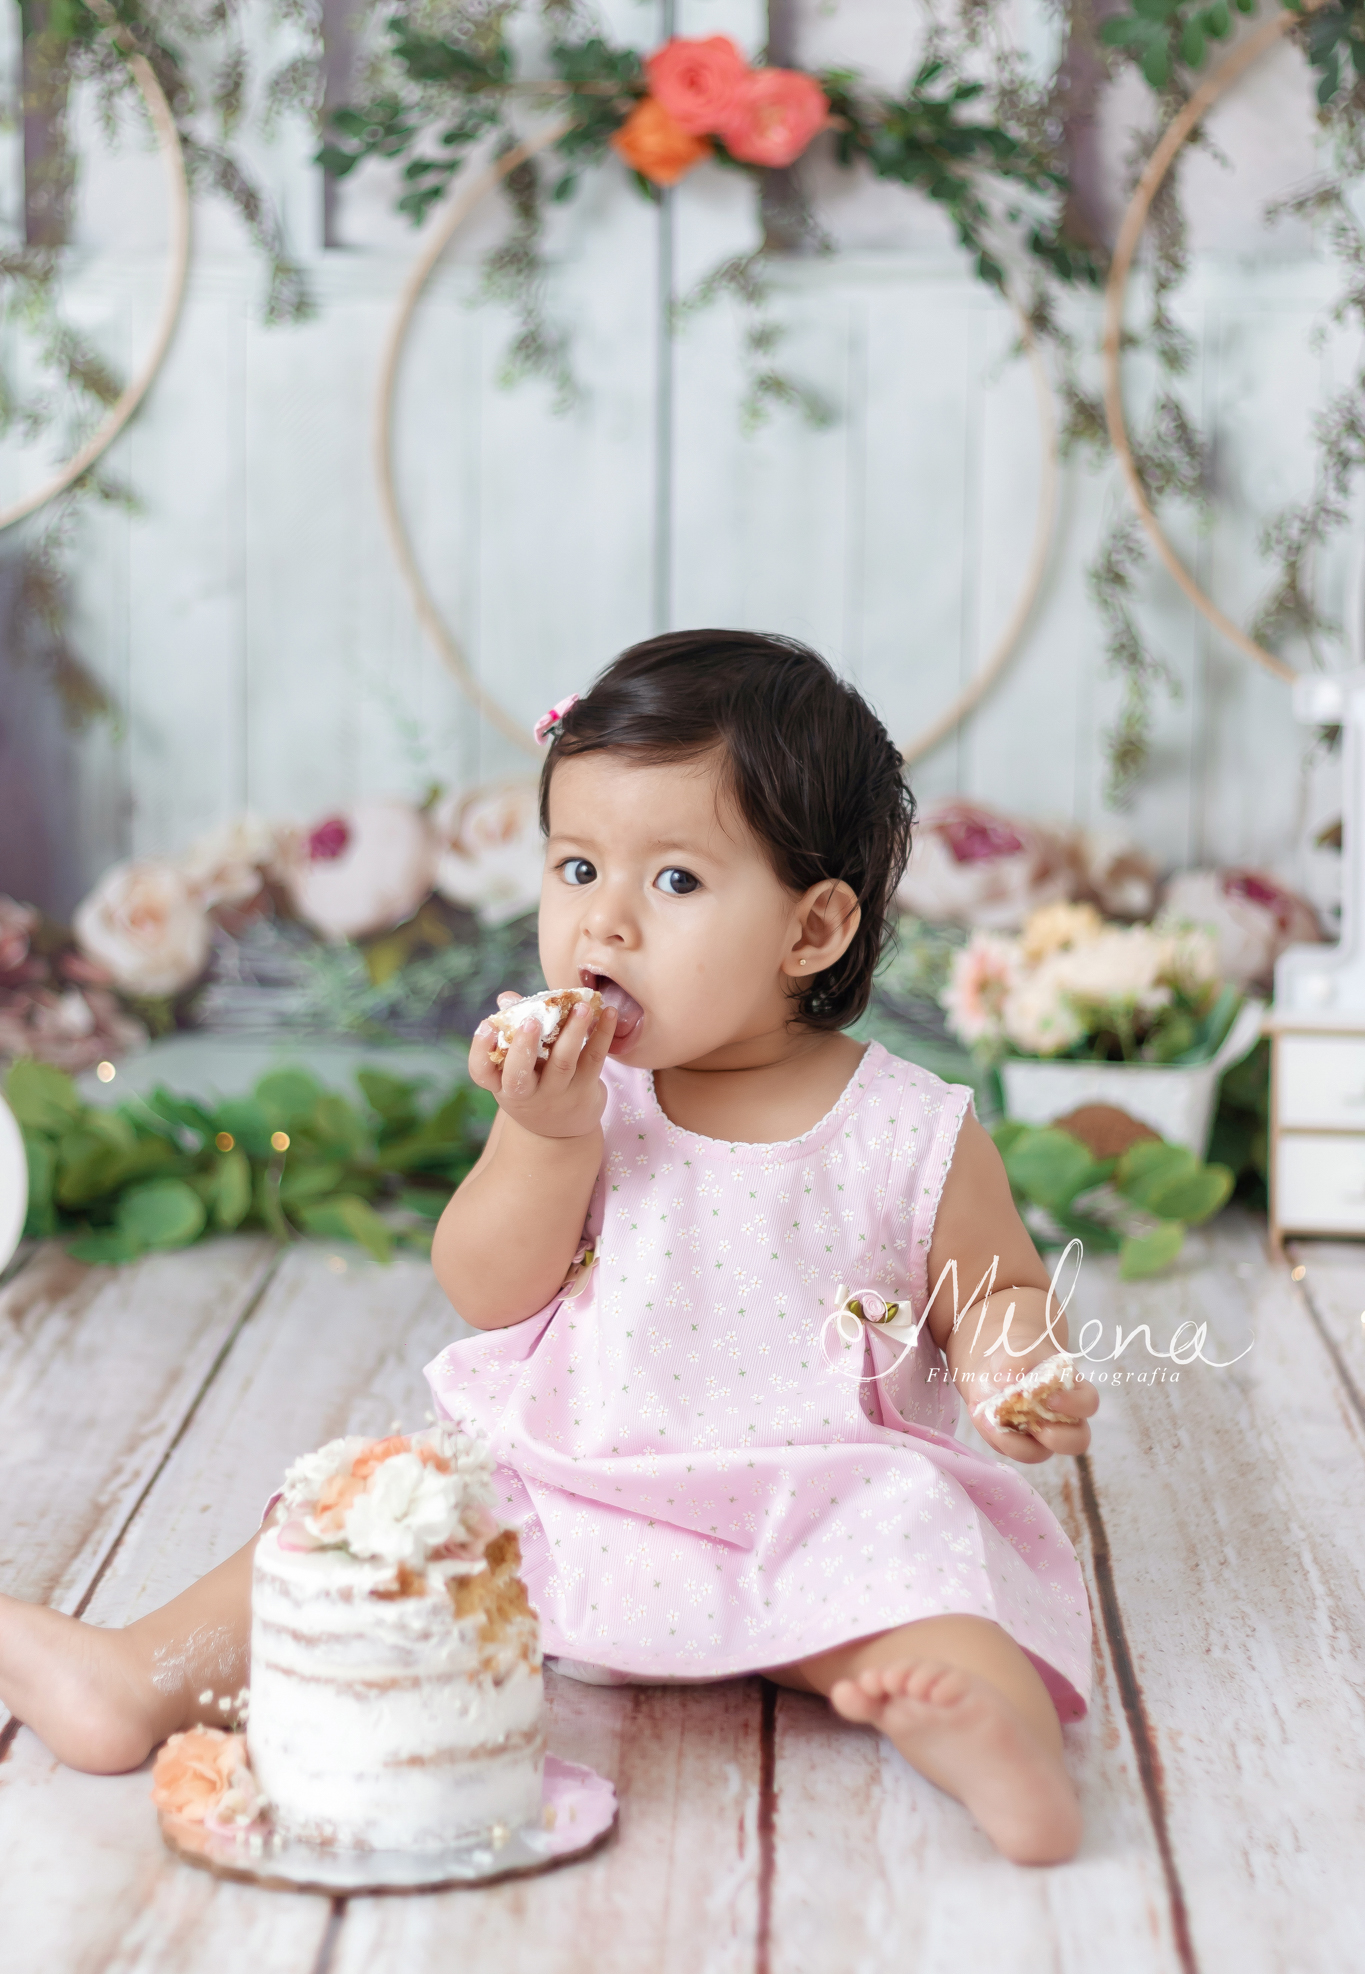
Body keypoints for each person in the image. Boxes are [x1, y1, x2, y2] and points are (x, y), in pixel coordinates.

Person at [0, 629, 1097, 1866]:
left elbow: (991, 1283)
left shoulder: (906, 1124)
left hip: (816, 1493)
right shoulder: (583, 1100)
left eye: (675, 881)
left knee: (918, 1555)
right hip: (569, 1485)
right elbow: (486, 1287)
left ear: (813, 929)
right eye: (577, 865)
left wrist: (1015, 1363)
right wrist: (543, 1133)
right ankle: (136, 1676)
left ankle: (989, 1734)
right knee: (360, 1529)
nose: (605, 922)